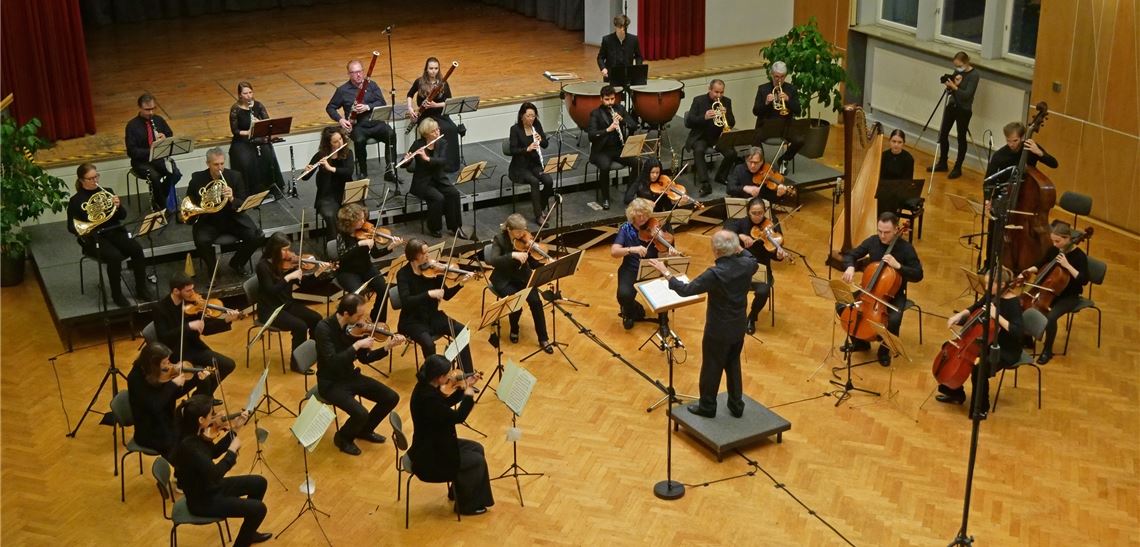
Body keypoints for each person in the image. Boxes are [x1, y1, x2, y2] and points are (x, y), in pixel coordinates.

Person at [648, 230, 757, 418]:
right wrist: (738, 247)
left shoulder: (715, 273)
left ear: (715, 251)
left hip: (718, 329)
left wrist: (665, 272)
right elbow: (750, 256)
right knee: (733, 365)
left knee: (711, 367)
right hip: (738, 325)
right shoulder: (748, 265)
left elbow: (685, 290)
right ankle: (736, 404)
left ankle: (707, 407)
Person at [171, 395, 270, 547]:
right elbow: (215, 474)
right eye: (211, 414)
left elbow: (214, 452)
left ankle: (248, 533)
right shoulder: (189, 447)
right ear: (201, 420)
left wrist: (236, 428)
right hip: (203, 501)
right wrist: (231, 453)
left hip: (210, 488)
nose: (216, 416)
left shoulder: (195, 435)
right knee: (259, 509)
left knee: (259, 483)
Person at [315, 294, 404, 456]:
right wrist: (355, 345)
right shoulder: (324, 328)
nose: (363, 320)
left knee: (391, 397)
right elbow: (333, 362)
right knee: (360, 413)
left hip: (350, 376)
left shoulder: (356, 329)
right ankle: (343, 437)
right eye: (359, 315)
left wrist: (387, 347)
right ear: (346, 314)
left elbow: (365, 359)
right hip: (330, 383)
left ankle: (364, 430)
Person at [409, 355, 493, 516]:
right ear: (439, 377)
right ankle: (467, 506)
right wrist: (468, 393)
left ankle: (458, 493)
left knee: (477, 448)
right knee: (477, 461)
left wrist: (465, 387)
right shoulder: (427, 399)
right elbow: (458, 417)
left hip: (436, 442)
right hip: (431, 458)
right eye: (447, 374)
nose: (450, 377)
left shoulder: (425, 387)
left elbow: (444, 405)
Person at [936, 268, 1024, 418]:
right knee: (949, 347)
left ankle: (982, 407)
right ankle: (954, 392)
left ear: (1002, 284)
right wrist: (959, 316)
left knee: (979, 368)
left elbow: (1017, 331)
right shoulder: (993, 293)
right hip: (985, 340)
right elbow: (976, 307)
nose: (986, 286)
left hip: (1004, 348)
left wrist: (996, 316)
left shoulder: (1013, 303)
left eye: (990, 283)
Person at [839, 212, 924, 366]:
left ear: (897, 229)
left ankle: (884, 350)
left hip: (893, 295)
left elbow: (918, 274)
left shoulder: (906, 249)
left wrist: (898, 266)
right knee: (842, 306)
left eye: (887, 232)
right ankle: (860, 343)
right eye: (880, 231)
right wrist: (850, 267)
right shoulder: (873, 241)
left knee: (894, 320)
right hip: (869, 291)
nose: (882, 236)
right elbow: (850, 254)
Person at [66, 163, 154, 307]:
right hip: (94, 238)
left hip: (113, 231)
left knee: (137, 249)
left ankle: (141, 288)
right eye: (91, 178)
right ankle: (117, 295)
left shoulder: (107, 192)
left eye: (96, 176)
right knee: (114, 257)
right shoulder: (76, 201)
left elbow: (122, 216)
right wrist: (86, 229)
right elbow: (71, 227)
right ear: (82, 181)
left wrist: (118, 206)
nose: (95, 181)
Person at [395, 239, 476, 374]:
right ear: (415, 256)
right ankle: (434, 378)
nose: (429, 256)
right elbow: (406, 301)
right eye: (425, 253)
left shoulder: (433, 271)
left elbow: (446, 295)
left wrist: (461, 283)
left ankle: (466, 375)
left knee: (462, 331)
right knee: (428, 344)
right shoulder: (403, 274)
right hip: (412, 320)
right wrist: (428, 294)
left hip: (432, 316)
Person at [152, 272, 238, 396]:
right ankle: (202, 401)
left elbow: (206, 328)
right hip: (176, 353)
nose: (193, 293)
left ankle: (202, 396)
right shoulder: (160, 309)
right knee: (205, 375)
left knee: (228, 365)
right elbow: (165, 337)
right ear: (176, 291)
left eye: (193, 289)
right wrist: (188, 326)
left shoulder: (192, 304)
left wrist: (226, 320)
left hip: (194, 348)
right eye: (188, 291)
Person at [185, 148, 264, 276]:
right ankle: (213, 269)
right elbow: (189, 199)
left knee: (257, 236)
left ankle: (237, 263)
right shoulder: (197, 178)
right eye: (216, 164)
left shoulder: (234, 176)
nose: (220, 167)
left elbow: (243, 202)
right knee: (201, 241)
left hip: (233, 219)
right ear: (208, 164)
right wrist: (201, 204)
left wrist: (232, 198)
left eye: (222, 163)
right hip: (209, 221)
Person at [254, 233, 323, 373]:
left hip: (286, 305)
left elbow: (305, 286)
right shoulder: (263, 266)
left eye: (288, 249)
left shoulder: (288, 265)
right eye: (284, 250)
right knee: (300, 326)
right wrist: (288, 277)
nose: (289, 253)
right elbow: (271, 291)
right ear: (274, 249)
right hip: (270, 310)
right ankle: (296, 363)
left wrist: (318, 272)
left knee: (316, 319)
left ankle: (312, 354)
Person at [485, 214, 553, 354]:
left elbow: (532, 262)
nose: (522, 234)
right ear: (509, 230)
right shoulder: (500, 239)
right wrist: (512, 255)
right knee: (516, 304)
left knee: (536, 302)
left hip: (523, 277)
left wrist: (545, 261)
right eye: (518, 231)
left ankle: (543, 338)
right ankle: (514, 328)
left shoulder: (525, 239)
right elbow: (494, 260)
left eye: (524, 230)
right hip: (505, 279)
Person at [1025, 221, 1089, 364]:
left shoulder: (1079, 257)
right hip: (1049, 292)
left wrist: (1067, 266)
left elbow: (1084, 280)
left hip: (1069, 296)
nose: (1054, 244)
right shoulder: (1054, 250)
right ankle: (1027, 338)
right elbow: (1041, 263)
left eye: (1058, 241)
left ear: (1067, 238)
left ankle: (1047, 350)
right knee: (1026, 303)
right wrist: (1030, 270)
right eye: (1053, 240)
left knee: (1051, 317)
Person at [610, 198, 678, 329]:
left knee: (663, 290)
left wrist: (669, 254)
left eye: (645, 215)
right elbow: (614, 252)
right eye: (639, 215)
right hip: (631, 268)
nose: (642, 218)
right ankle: (630, 312)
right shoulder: (626, 229)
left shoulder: (658, 226)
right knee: (623, 295)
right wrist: (631, 249)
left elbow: (665, 254)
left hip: (654, 266)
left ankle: (663, 321)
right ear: (632, 215)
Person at [326, 58, 397, 180]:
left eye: (360, 71)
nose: (358, 75)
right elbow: (330, 107)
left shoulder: (372, 85)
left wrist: (367, 106)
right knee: (359, 140)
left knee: (391, 134)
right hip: (358, 126)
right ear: (349, 74)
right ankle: (363, 172)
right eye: (354, 72)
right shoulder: (342, 90)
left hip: (375, 123)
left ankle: (390, 171)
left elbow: (382, 102)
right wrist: (340, 120)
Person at [127, 342, 201, 457]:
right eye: (164, 363)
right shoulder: (135, 379)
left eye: (168, 361)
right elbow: (155, 405)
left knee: (191, 434)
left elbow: (172, 395)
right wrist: (172, 385)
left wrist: (197, 379)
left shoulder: (159, 373)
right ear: (153, 364)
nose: (169, 365)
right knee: (183, 449)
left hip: (166, 422)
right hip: (150, 432)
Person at [726, 196, 787, 335]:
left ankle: (752, 318)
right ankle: (736, 317)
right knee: (731, 287)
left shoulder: (772, 225)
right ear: (748, 212)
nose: (758, 216)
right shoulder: (741, 223)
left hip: (761, 268)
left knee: (763, 291)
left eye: (761, 213)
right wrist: (740, 236)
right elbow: (727, 229)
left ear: (765, 211)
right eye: (754, 213)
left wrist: (778, 255)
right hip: (741, 268)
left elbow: (775, 251)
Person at [334, 203, 401, 323]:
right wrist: (358, 245)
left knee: (384, 289)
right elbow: (342, 257)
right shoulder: (342, 235)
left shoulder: (367, 231)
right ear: (350, 221)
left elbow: (375, 254)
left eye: (363, 217)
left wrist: (390, 247)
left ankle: (377, 320)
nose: (363, 221)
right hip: (348, 272)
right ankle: (353, 323)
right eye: (359, 219)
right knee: (357, 296)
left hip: (366, 268)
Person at [404, 118, 468, 239]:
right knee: (438, 198)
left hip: (439, 179)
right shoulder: (418, 144)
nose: (437, 132)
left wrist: (427, 158)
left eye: (438, 129)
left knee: (453, 194)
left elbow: (443, 161)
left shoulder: (442, 142)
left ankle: (455, 227)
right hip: (423, 182)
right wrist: (407, 160)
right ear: (426, 133)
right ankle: (434, 227)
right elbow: (404, 164)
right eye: (434, 131)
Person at [125, 93, 181, 213]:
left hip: (158, 159)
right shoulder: (132, 126)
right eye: (147, 109)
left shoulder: (158, 120)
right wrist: (151, 150)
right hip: (141, 162)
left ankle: (160, 197)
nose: (150, 113)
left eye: (153, 108)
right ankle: (163, 207)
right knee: (155, 177)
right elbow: (131, 151)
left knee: (175, 173)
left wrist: (164, 137)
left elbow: (170, 134)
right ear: (140, 108)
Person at [229, 82, 285, 199]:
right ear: (240, 95)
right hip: (242, 140)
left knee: (268, 156)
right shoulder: (235, 109)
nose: (249, 96)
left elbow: (268, 123)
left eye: (250, 92)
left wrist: (258, 124)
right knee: (245, 160)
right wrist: (249, 131)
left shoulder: (258, 105)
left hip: (258, 138)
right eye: (245, 93)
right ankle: (250, 192)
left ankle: (271, 187)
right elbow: (235, 130)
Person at [929, 52, 980, 179]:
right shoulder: (957, 72)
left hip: (964, 109)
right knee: (943, 133)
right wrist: (951, 86)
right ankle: (942, 162)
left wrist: (954, 87)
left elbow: (967, 95)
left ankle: (958, 167)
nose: (958, 68)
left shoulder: (974, 75)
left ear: (966, 62)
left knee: (961, 137)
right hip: (952, 106)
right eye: (956, 66)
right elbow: (952, 91)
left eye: (960, 66)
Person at [588, 84, 639, 210]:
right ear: (601, 99)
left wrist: (623, 121)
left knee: (637, 162)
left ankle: (629, 194)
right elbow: (591, 135)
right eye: (607, 99)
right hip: (601, 151)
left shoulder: (620, 109)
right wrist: (608, 129)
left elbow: (634, 125)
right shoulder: (596, 114)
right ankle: (605, 198)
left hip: (618, 148)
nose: (610, 102)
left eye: (612, 99)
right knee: (605, 166)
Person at [406, 57, 461, 173]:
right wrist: (410, 108)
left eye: (436, 68)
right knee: (442, 129)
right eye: (431, 68)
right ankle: (433, 162)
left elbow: (448, 102)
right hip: (425, 115)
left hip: (439, 114)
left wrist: (435, 105)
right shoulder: (420, 81)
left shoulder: (443, 83)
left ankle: (449, 164)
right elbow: (410, 94)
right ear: (426, 69)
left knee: (452, 129)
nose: (433, 71)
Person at [301, 126, 355, 239]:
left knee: (360, 212)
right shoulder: (321, 155)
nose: (340, 143)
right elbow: (305, 178)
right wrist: (306, 171)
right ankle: (335, 249)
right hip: (327, 197)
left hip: (346, 194)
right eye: (335, 141)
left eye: (340, 139)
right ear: (328, 143)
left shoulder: (348, 153)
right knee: (331, 216)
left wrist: (331, 168)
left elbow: (348, 172)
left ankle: (354, 242)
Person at [684, 79, 737, 196]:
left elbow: (732, 122)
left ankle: (721, 176)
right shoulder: (698, 100)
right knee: (698, 150)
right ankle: (705, 183)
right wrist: (704, 117)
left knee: (732, 153)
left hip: (718, 136)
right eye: (716, 92)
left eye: (721, 92)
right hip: (701, 136)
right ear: (709, 89)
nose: (719, 95)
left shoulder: (726, 102)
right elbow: (689, 122)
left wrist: (726, 114)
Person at [983, 121, 1059, 200]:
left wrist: (1039, 152)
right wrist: (987, 200)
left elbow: (1054, 164)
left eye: (1015, 140)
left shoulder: (1030, 148)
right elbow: (989, 180)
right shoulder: (999, 155)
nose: (1011, 144)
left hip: (1027, 196)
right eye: (1008, 140)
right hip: (1004, 196)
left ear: (1022, 137)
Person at [507, 102, 554, 223]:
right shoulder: (515, 129)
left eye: (533, 116)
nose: (531, 119)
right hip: (520, 167)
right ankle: (538, 216)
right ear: (522, 116)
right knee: (534, 181)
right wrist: (526, 149)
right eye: (528, 116)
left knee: (548, 181)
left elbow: (545, 145)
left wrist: (541, 139)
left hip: (535, 164)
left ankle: (541, 207)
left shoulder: (536, 126)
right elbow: (512, 150)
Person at [751, 61, 802, 169]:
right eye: (776, 77)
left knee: (800, 140)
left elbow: (798, 111)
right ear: (771, 75)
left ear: (786, 76)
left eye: (782, 77)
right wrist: (766, 103)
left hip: (785, 125)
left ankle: (784, 159)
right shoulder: (763, 89)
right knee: (755, 139)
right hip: (766, 125)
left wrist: (788, 100)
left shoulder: (791, 89)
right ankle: (761, 165)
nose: (779, 80)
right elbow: (755, 111)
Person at [726, 146, 791, 202]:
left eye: (756, 162)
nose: (753, 165)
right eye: (750, 162)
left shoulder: (768, 169)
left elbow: (772, 199)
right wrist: (745, 188)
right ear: (746, 160)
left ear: (761, 161)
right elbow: (729, 189)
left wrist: (779, 195)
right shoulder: (739, 169)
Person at [878, 129, 916, 215]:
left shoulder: (908, 159)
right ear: (889, 141)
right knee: (882, 196)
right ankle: (882, 222)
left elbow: (907, 181)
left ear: (903, 143)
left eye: (899, 142)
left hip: (900, 192)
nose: (896, 145)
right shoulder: (883, 156)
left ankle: (889, 222)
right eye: (894, 141)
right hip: (884, 189)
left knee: (889, 199)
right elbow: (879, 176)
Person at [597, 14, 643, 82]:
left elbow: (639, 56)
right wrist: (603, 68)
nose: (622, 29)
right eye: (620, 27)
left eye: (624, 27)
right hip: (611, 76)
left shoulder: (633, 40)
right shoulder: (607, 40)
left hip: (627, 75)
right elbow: (600, 57)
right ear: (615, 27)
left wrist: (637, 68)